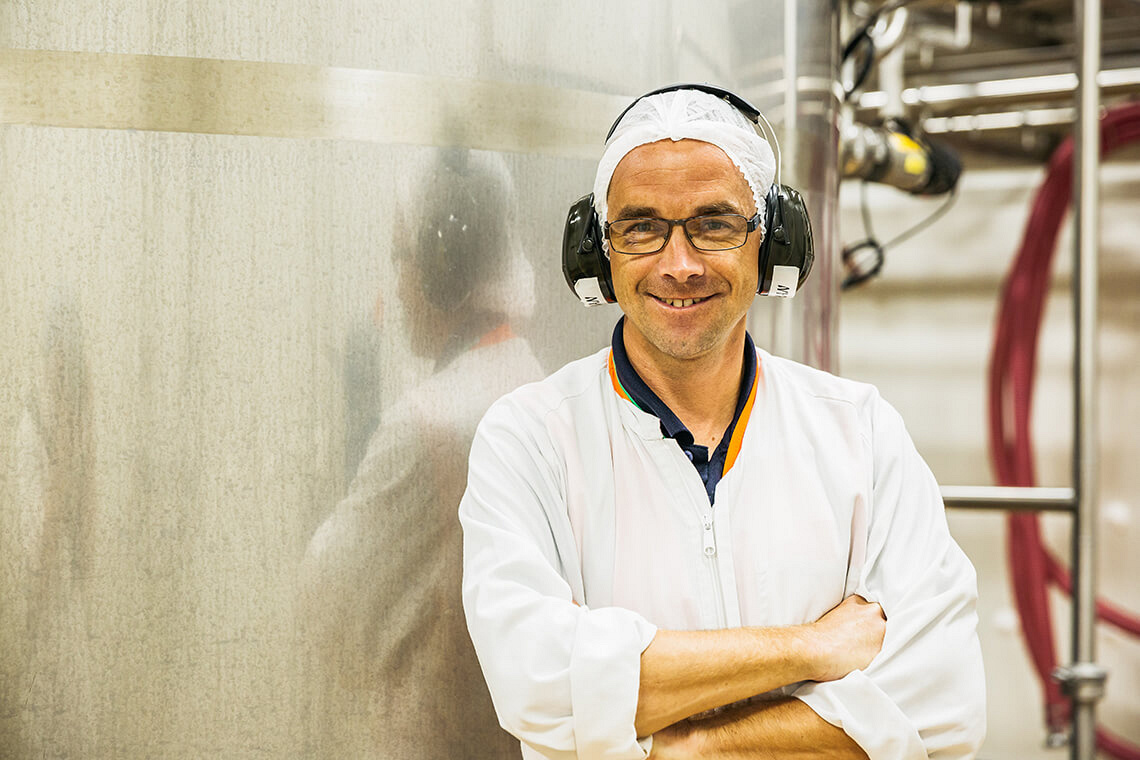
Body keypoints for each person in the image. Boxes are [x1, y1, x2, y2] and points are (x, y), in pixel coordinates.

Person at [459, 86, 985, 759]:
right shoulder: (531, 440)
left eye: (714, 224)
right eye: (641, 227)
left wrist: (692, 746)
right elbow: (538, 683)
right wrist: (810, 649)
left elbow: (943, 709)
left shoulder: (861, 434)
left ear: (772, 242)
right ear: (597, 252)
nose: (679, 265)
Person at [299, 149, 542, 758]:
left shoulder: (427, 421)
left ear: (444, 267)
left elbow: (328, 607)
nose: (398, 287)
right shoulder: (534, 387)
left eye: (400, 258)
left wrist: (356, 436)